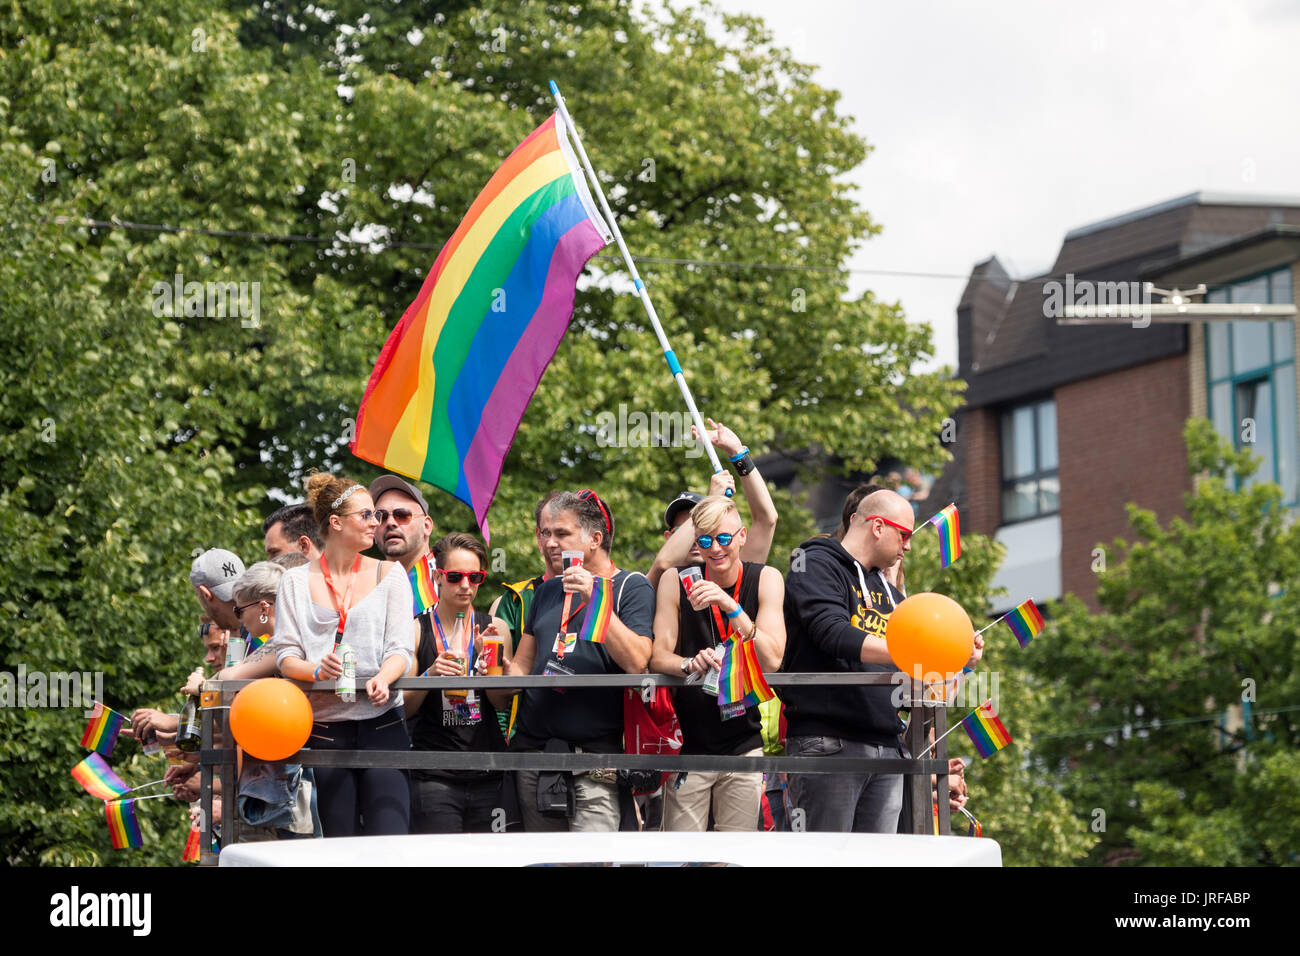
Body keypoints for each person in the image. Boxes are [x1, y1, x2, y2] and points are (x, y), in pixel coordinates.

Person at [781, 489, 983, 832]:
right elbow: (833, 633)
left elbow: (906, 675)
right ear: (877, 527)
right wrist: (917, 650)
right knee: (827, 859)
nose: (908, 546)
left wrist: (959, 662)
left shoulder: (885, 588)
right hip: (830, 741)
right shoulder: (815, 562)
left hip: (886, 744)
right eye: (904, 534)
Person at [492, 490, 654, 832]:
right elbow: (522, 666)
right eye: (544, 533)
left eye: (561, 533)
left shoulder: (631, 586)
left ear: (594, 539)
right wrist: (496, 667)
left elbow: (638, 661)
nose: (550, 543)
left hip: (594, 761)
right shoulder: (546, 591)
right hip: (535, 756)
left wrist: (594, 596)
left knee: (591, 858)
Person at [274, 473, 416, 837]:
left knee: (391, 844)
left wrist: (384, 677)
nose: (377, 523)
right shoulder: (294, 581)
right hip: (324, 727)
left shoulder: (391, 573)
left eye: (377, 516)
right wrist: (315, 670)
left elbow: (401, 648)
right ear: (336, 523)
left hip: (382, 721)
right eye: (367, 515)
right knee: (338, 848)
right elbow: (285, 655)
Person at [650, 495, 786, 831]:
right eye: (705, 540)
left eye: (724, 538)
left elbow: (773, 659)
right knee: (680, 856)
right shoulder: (677, 580)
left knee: (735, 853)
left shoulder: (765, 577)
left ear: (742, 536)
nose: (715, 549)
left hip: (745, 743)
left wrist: (732, 607)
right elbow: (657, 656)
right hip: (688, 744)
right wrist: (687, 664)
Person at [405, 533, 510, 833]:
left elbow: (500, 703)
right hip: (434, 773)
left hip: (488, 769)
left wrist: (490, 667)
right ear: (438, 576)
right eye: (455, 576)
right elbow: (407, 709)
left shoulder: (494, 627)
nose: (466, 585)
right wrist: (429, 676)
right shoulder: (417, 629)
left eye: (475, 576)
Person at [648, 419, 779, 588]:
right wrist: (710, 500)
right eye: (689, 529)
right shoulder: (657, 584)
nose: (696, 540)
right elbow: (663, 563)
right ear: (668, 538)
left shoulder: (736, 572)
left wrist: (738, 454)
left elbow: (766, 520)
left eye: (708, 527)